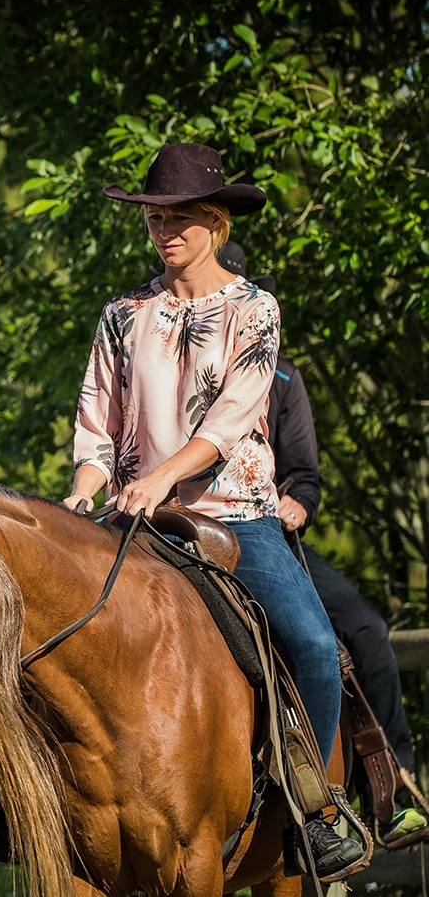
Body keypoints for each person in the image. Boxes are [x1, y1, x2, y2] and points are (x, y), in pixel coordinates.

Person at [60, 142, 363, 875]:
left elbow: (228, 422)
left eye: (181, 218)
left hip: (234, 515)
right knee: (42, 620)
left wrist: (162, 477)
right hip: (134, 517)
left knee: (314, 644)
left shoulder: (254, 310)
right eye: (155, 219)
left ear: (217, 224)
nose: (165, 231)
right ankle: (5, 799)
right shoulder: (122, 314)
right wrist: (83, 486)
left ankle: (314, 811)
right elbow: (98, 424)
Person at [218, 245, 427, 845]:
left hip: (269, 531)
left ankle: (394, 790)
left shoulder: (283, 378)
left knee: (366, 630)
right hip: (186, 521)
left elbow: (305, 474)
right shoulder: (168, 354)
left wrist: (298, 505)